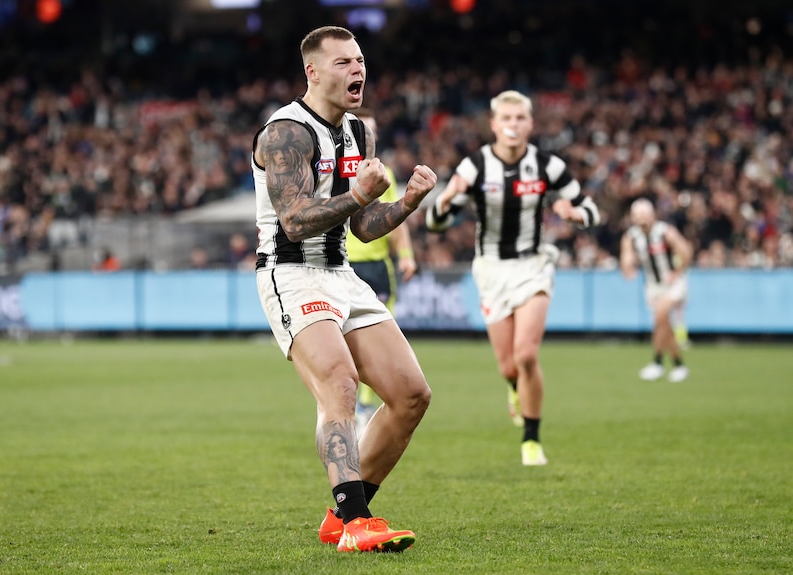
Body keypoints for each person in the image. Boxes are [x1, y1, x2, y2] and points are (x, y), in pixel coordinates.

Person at [251, 26, 438, 553]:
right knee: (339, 382)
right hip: (289, 272)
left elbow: (361, 227)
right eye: (343, 63)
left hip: (341, 273)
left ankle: (342, 515)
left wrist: (406, 205)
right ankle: (357, 522)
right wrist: (357, 194)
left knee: (410, 395)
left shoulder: (359, 131)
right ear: (312, 71)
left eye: (360, 60)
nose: (357, 70)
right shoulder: (285, 132)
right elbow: (292, 223)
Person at [426, 90, 599, 466]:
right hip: (490, 270)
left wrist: (576, 215)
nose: (513, 125)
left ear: (530, 123)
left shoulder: (547, 166)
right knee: (508, 367)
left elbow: (590, 207)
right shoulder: (474, 167)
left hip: (533, 265)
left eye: (520, 118)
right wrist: (444, 201)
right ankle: (514, 390)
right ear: (493, 124)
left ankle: (531, 440)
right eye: (506, 118)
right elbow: (435, 222)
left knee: (526, 354)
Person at [345, 109, 418, 434]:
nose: (367, 138)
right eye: (361, 130)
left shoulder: (381, 173)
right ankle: (344, 406)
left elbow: (394, 217)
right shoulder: (334, 169)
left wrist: (406, 254)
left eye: (371, 131)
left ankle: (364, 405)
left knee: (376, 342)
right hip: (339, 265)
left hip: (376, 268)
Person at [620, 197, 692, 382]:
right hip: (652, 285)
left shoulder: (665, 232)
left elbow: (686, 250)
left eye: (645, 214)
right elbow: (626, 257)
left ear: (652, 215)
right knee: (662, 324)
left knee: (660, 315)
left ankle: (658, 362)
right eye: (638, 215)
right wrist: (628, 268)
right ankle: (677, 365)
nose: (642, 219)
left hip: (673, 283)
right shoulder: (631, 236)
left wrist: (677, 272)